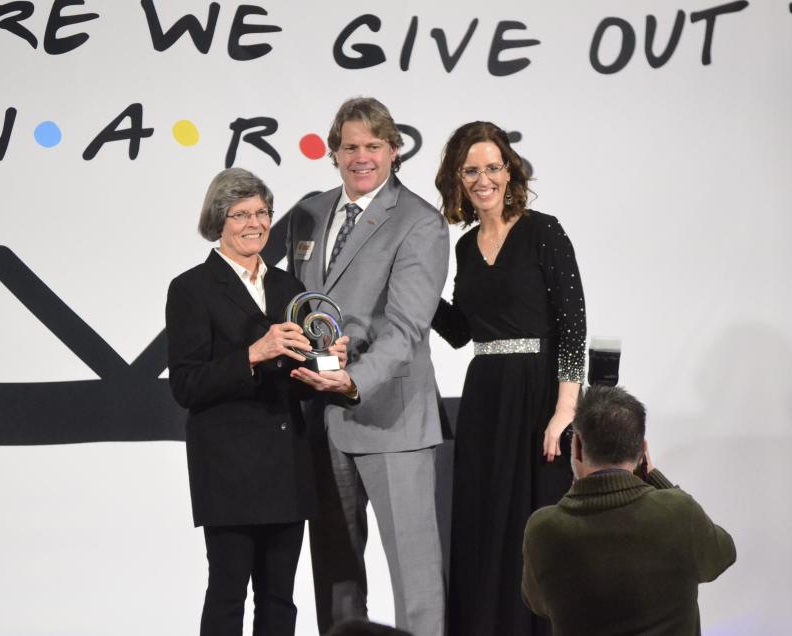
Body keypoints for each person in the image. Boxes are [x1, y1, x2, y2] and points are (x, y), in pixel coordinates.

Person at [286, 97, 450, 636]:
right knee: (335, 581)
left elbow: (406, 328)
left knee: (416, 582)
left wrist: (354, 379)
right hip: (320, 420)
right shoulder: (311, 212)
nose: (361, 158)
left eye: (372, 147)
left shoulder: (420, 222)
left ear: (394, 151)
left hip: (390, 418)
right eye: (350, 147)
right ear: (334, 152)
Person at [165, 167, 347, 636]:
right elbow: (186, 385)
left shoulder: (289, 287)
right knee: (227, 593)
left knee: (280, 599)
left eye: (262, 212)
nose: (255, 223)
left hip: (287, 465)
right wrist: (252, 354)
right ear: (218, 222)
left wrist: (333, 367)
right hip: (228, 471)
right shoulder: (191, 289)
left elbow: (304, 373)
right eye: (241, 214)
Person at [431, 121, 586, 636]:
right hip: (485, 396)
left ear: (509, 171)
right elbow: (460, 332)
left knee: (534, 525)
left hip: (540, 394)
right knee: (482, 522)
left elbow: (572, 323)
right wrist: (414, 289)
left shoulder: (544, 230)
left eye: (492, 167)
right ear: (457, 178)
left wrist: (566, 410)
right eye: (470, 170)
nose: (482, 179)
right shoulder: (465, 247)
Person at [521, 385, 737, 635]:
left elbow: (536, 601)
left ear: (577, 446)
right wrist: (654, 476)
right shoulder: (679, 513)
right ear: (642, 449)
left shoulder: (543, 530)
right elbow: (724, 554)